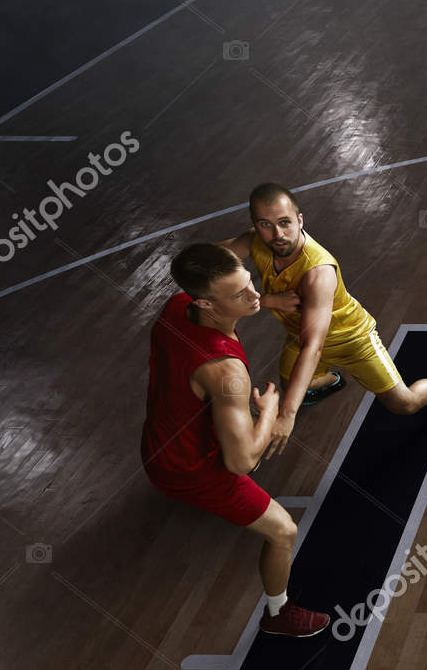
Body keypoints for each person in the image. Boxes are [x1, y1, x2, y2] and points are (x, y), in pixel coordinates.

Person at [141, 244, 329, 636]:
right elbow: (240, 462)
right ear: (208, 305)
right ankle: (278, 615)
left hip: (157, 443)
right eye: (241, 293)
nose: (254, 294)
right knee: (285, 532)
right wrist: (272, 415)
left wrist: (265, 298)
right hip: (191, 472)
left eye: (250, 282)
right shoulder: (227, 373)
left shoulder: (178, 305)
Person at [218, 183, 427, 458]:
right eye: (265, 224)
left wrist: (287, 415)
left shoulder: (318, 272)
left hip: (350, 339)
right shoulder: (256, 242)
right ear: (255, 224)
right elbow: (207, 261)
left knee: (405, 404)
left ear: (299, 220)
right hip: (302, 334)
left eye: (285, 223)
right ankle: (333, 380)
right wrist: (269, 300)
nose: (277, 234)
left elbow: (314, 346)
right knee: (292, 385)